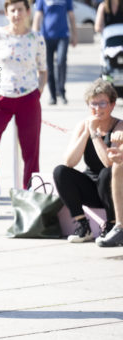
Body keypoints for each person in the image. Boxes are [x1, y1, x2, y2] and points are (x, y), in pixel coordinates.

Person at [0, 0, 47, 220]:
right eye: (12, 10)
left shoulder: (36, 38)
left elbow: (43, 69)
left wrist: (38, 93)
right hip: (1, 98)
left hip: (28, 97)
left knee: (31, 152)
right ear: (6, 14)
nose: (16, 14)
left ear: (27, 12)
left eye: (20, 10)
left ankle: (29, 201)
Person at [53, 79, 123, 246]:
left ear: (112, 105)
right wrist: (87, 132)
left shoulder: (119, 126)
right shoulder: (84, 125)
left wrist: (95, 135)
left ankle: (112, 225)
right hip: (91, 188)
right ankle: (83, 226)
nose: (97, 109)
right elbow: (69, 161)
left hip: (112, 189)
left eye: (102, 104)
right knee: (60, 171)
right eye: (93, 104)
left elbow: (108, 162)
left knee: (107, 172)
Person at [33, 0, 76, 105]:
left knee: (61, 62)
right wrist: (34, 35)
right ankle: (52, 95)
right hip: (47, 36)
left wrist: (74, 34)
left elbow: (71, 16)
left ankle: (62, 92)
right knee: (48, 67)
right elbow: (38, 16)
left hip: (63, 35)